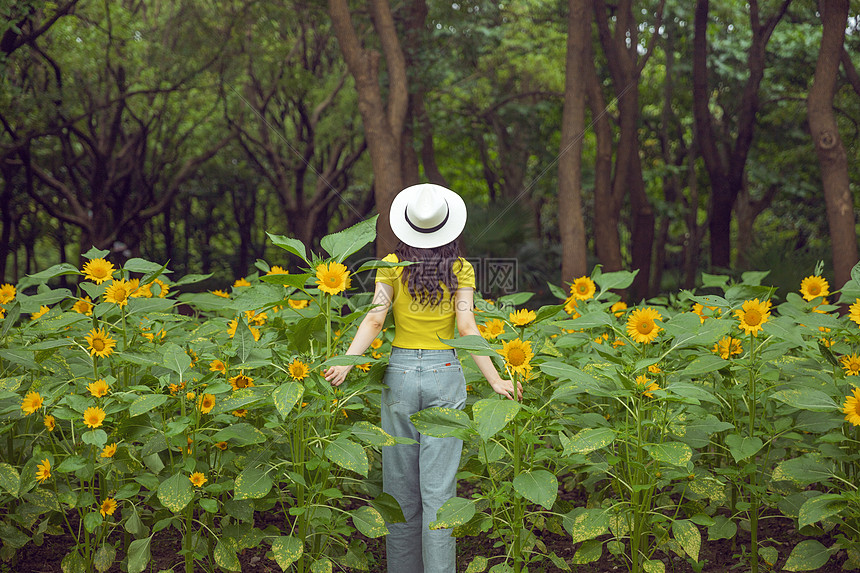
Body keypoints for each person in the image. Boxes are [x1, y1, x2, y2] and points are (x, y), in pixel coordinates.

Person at [323, 183, 522, 573]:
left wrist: (347, 362)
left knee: (399, 493)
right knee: (439, 494)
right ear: (449, 226)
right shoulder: (460, 268)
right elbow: (467, 328)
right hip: (444, 373)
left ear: (405, 226)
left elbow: (376, 319)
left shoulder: (389, 264)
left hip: (398, 376)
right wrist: (496, 379)